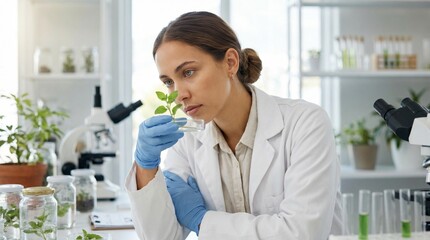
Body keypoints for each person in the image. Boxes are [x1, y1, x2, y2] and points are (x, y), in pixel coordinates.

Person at [125, 11, 342, 240]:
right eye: (169, 82)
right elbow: (162, 237)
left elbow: (303, 234)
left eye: (188, 72)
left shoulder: (305, 123)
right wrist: (145, 166)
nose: (179, 95)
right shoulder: (188, 141)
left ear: (230, 62)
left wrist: (202, 220)